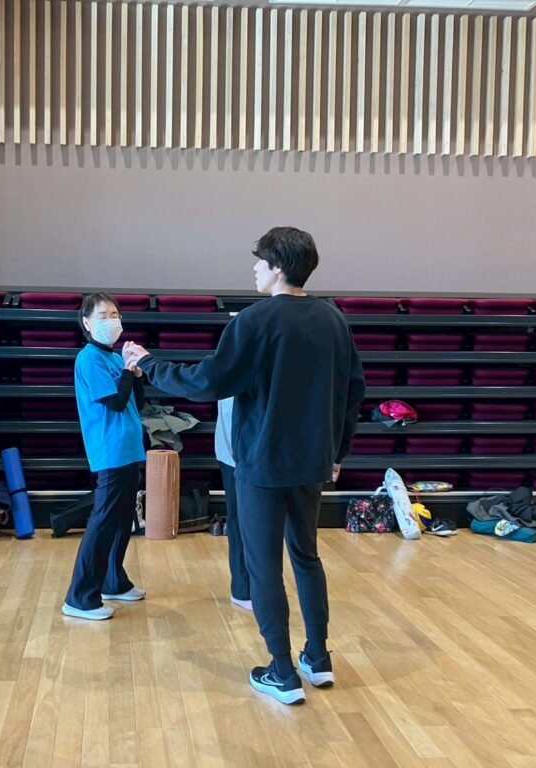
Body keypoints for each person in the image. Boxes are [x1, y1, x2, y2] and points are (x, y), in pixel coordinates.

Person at [124, 226, 365, 705]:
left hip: (262, 464)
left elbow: (207, 381)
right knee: (306, 557)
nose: (254, 269)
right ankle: (317, 658)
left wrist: (149, 364)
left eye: (259, 261)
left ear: (277, 266)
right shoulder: (334, 320)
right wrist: (336, 454)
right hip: (312, 463)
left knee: (263, 566)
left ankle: (281, 671)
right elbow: (353, 392)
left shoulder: (254, 321)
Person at [62, 293, 147, 621]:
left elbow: (135, 402)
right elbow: (114, 402)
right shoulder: (89, 359)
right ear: (86, 322)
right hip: (110, 449)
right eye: (102, 315)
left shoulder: (113, 357)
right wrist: (127, 370)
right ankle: (80, 596)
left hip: (129, 447)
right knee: (103, 520)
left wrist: (135, 376)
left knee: (124, 518)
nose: (111, 320)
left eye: (114, 314)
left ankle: (114, 581)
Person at [216, 396, 251, 612]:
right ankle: (242, 589)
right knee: (239, 520)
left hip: (254, 454)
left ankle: (255, 586)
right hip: (235, 455)